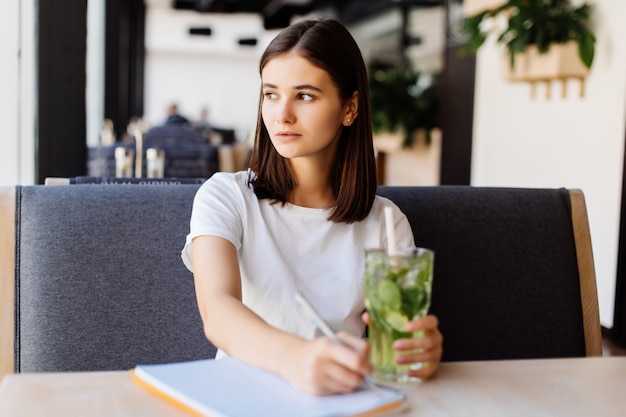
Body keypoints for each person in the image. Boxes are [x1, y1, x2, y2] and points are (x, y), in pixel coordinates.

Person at [181, 18, 442, 396]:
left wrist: (416, 353)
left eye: (304, 96)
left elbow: (394, 341)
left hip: (341, 400)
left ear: (349, 108)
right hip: (242, 397)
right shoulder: (226, 196)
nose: (282, 114)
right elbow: (218, 312)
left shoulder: (385, 222)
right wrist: (296, 359)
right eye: (271, 94)